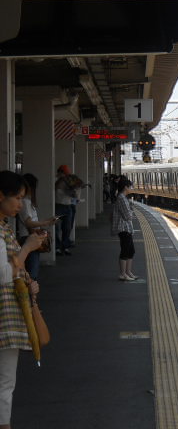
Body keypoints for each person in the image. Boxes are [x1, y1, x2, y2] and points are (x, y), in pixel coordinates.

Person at [0, 170, 45, 429]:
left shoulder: (4, 228)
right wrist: (27, 248)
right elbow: (4, 274)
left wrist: (29, 284)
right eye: (17, 198)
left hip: (9, 309)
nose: (20, 204)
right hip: (4, 314)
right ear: (1, 196)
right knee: (5, 382)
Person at [16, 174, 56, 281]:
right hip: (28, 237)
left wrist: (46, 222)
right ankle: (30, 289)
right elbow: (29, 222)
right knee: (32, 271)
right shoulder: (25, 202)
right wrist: (46, 222)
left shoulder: (27, 201)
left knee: (30, 269)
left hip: (29, 236)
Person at [113, 178, 138, 281]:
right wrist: (131, 211)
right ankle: (122, 274)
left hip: (127, 228)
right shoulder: (121, 198)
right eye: (129, 186)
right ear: (125, 187)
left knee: (131, 250)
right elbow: (128, 216)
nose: (131, 188)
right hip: (123, 228)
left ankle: (128, 272)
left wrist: (130, 208)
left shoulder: (123, 197)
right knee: (125, 251)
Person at [54, 165, 82, 255]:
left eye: (66, 174)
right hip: (57, 206)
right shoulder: (55, 181)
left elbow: (75, 193)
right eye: (64, 174)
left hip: (68, 206)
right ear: (60, 173)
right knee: (56, 228)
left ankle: (65, 246)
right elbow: (56, 190)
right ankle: (57, 247)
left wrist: (75, 193)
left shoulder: (69, 181)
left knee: (67, 228)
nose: (65, 176)